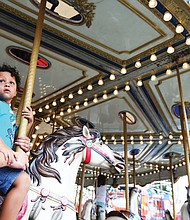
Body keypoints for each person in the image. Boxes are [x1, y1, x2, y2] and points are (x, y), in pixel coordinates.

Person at [0, 64, 34, 220]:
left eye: (11, 83)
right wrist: (6, 150)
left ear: (15, 92)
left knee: (24, 179)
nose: (6, 84)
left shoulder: (10, 114)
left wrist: (30, 124)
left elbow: (15, 138)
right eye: (1, 81)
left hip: (3, 163)